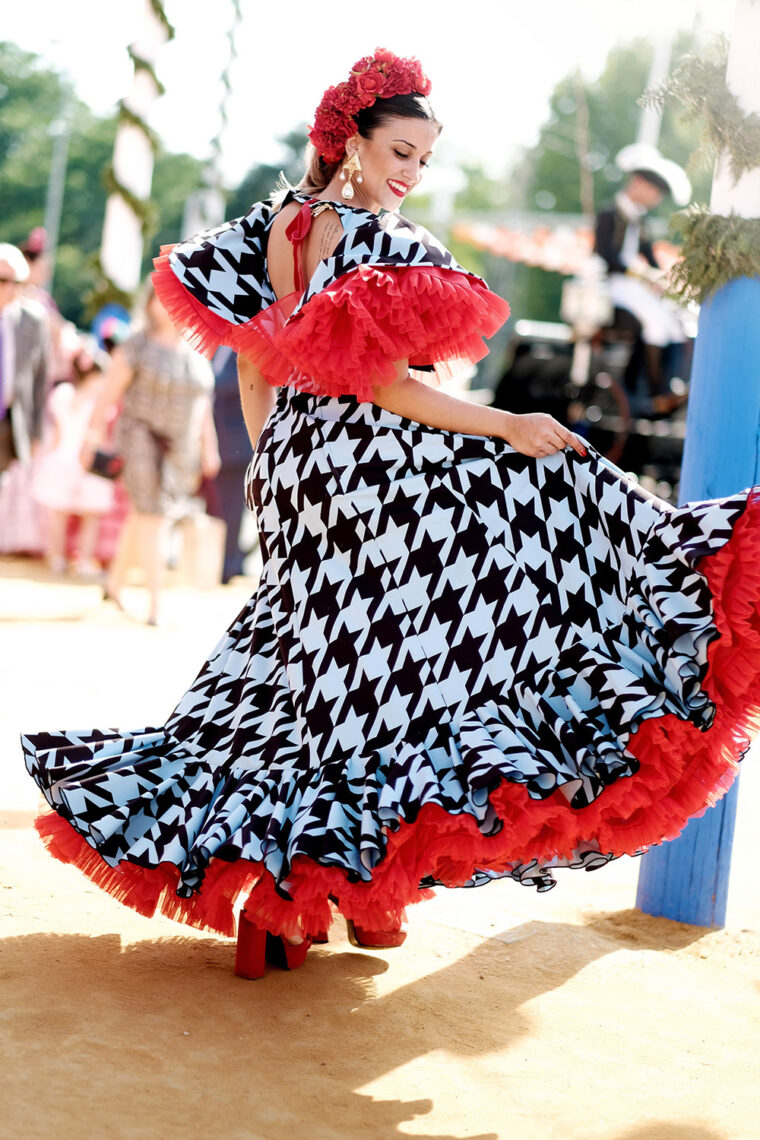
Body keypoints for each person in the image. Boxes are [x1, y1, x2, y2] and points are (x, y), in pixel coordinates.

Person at [23, 51, 760, 981]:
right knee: (435, 640)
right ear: (353, 143)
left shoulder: (272, 227)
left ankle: (332, 895)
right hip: (374, 466)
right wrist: (508, 424)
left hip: (296, 464)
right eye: (400, 152)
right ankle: (344, 889)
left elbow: (254, 365)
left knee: (324, 672)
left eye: (423, 159)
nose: (410, 173)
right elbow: (385, 387)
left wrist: (273, 462)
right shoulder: (375, 240)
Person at [81, 287, 220, 625]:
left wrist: (210, 447)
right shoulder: (136, 346)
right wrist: (91, 438)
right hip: (139, 438)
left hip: (181, 447)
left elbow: (202, 405)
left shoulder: (196, 347)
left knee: (143, 514)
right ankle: (156, 604)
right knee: (155, 515)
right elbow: (107, 397)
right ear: (150, 302)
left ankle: (114, 585)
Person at [594, 143, 691, 413]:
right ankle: (653, 392)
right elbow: (607, 255)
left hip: (634, 286)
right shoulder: (610, 213)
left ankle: (666, 387)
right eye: (654, 191)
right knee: (655, 323)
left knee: (674, 322)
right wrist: (642, 274)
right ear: (638, 182)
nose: (656, 199)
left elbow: (649, 255)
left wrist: (663, 279)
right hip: (614, 286)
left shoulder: (638, 219)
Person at [32, 341, 115, 576]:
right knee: (88, 516)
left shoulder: (64, 395)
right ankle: (82, 561)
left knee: (62, 514)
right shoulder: (98, 403)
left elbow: (58, 434)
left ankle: (59, 558)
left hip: (63, 458)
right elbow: (100, 436)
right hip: (85, 462)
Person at [0, 243, 49, 476]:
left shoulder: (33, 320)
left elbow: (40, 378)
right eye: (2, 280)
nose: (9, 288)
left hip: (9, 425)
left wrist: (36, 433)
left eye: (16, 282)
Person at [208, 344, 256, 583]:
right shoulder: (216, 349)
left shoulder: (242, 347)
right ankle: (220, 561)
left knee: (233, 511)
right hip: (217, 444)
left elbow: (241, 381)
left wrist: (207, 380)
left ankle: (229, 564)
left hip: (237, 446)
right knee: (217, 509)